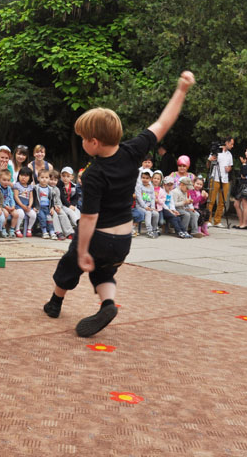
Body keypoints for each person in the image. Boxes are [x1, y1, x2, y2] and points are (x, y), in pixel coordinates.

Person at [43, 72, 195, 338]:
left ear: (94, 142)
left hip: (98, 236)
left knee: (70, 265)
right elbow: (163, 122)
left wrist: (81, 251)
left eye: (82, 138)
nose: (81, 142)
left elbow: (89, 218)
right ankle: (107, 304)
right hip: (123, 238)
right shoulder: (132, 150)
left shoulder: (93, 174)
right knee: (104, 270)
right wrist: (181, 90)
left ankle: (55, 303)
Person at [206, 136, 234, 227]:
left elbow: (230, 167)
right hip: (215, 178)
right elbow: (208, 165)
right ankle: (208, 219)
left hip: (225, 179)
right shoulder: (215, 152)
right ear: (226, 142)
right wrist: (209, 160)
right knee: (211, 200)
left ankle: (217, 220)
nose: (232, 146)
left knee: (222, 201)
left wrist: (229, 169)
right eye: (231, 143)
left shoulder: (229, 154)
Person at [13, 166, 37, 237]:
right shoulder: (17, 185)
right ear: (18, 176)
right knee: (21, 214)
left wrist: (29, 205)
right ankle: (17, 229)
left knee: (33, 214)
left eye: (26, 176)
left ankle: (29, 229)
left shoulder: (30, 187)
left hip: (26, 205)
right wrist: (22, 206)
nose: (23, 177)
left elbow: (31, 197)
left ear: (30, 177)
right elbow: (16, 196)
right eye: (21, 175)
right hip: (18, 205)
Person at [0, 169, 22, 237]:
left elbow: (11, 198)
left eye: (8, 180)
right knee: (5, 213)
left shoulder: (9, 188)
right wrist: (5, 206)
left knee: (16, 214)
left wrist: (13, 206)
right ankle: (3, 229)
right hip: (1, 206)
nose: (6, 182)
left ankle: (12, 229)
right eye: (4, 180)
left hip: (9, 205)